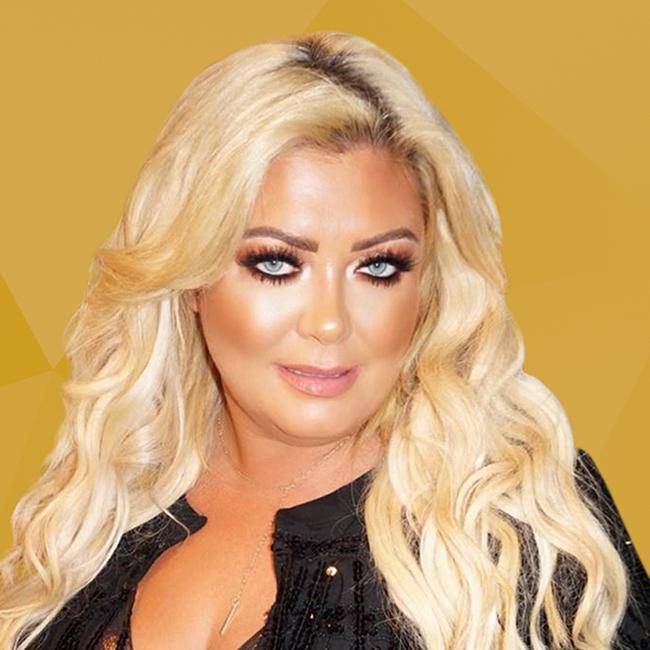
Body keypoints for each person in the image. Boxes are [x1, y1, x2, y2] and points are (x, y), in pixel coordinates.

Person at [0, 30, 648, 650]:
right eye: (276, 263)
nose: (330, 322)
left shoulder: (520, 530)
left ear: (427, 284)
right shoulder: (98, 518)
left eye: (379, 267)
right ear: (190, 276)